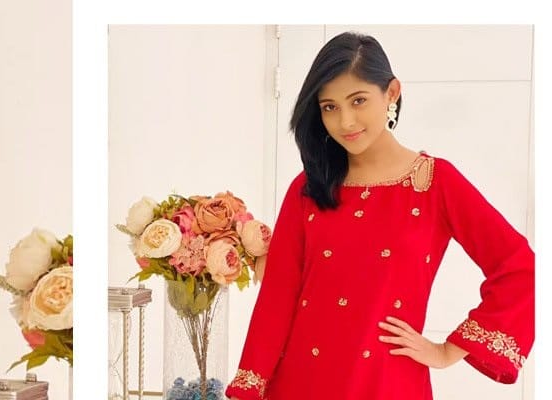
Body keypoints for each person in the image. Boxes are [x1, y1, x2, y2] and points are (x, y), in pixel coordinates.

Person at [225, 31, 534, 400]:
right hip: (301, 383)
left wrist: (448, 351)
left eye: (358, 101)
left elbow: (521, 268)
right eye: (330, 107)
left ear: (391, 93)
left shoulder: (435, 182)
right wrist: (247, 389)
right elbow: (278, 297)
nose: (345, 121)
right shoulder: (310, 188)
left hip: (389, 383)